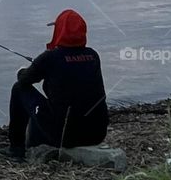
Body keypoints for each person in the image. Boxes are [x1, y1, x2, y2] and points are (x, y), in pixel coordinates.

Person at [6, 8, 108, 161]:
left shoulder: (50, 58)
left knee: (18, 89)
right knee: (55, 104)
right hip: (97, 133)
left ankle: (16, 149)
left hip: (65, 136)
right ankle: (33, 143)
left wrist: (24, 70)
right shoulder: (93, 56)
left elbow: (24, 80)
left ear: (59, 31)